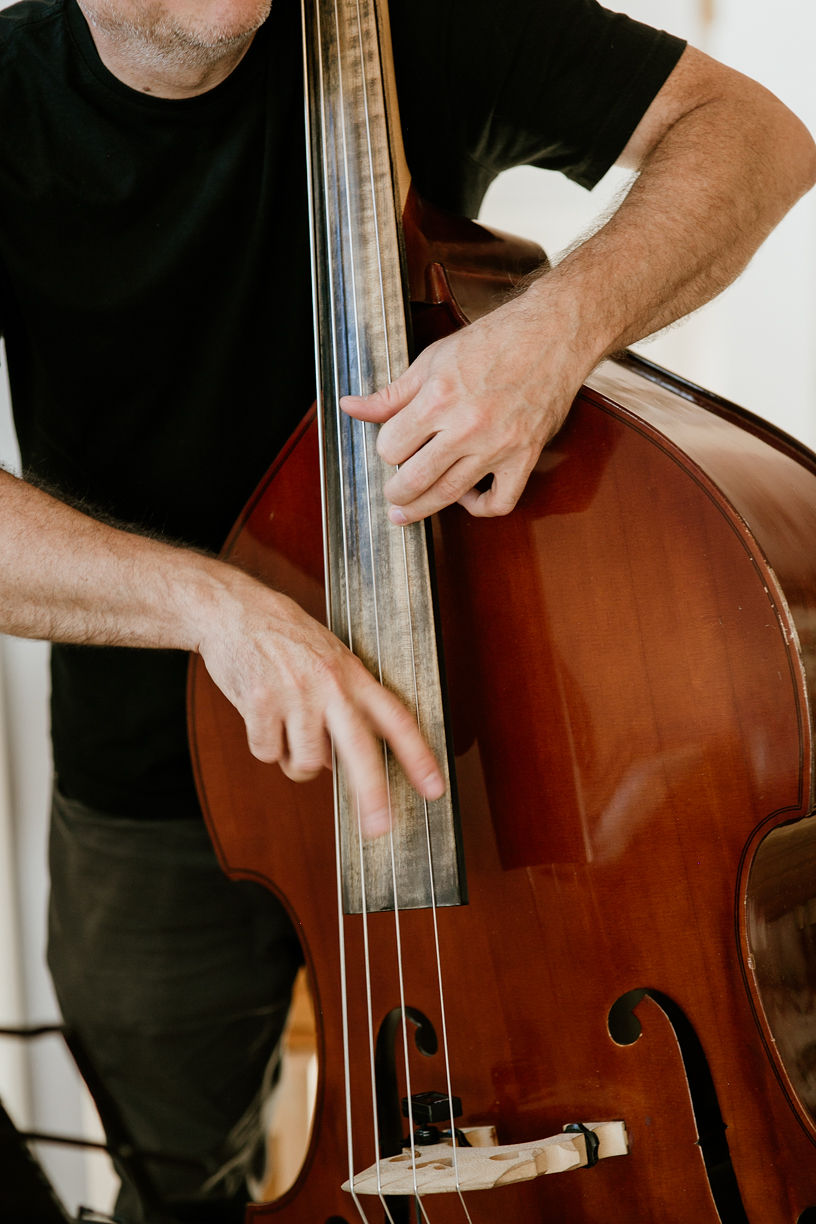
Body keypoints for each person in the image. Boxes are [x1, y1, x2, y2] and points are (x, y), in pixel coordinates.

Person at [0, 0, 813, 1220]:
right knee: (180, 1182)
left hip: (500, 752)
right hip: (155, 772)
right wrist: (218, 608)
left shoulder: (412, 15)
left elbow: (754, 136)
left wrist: (557, 329)